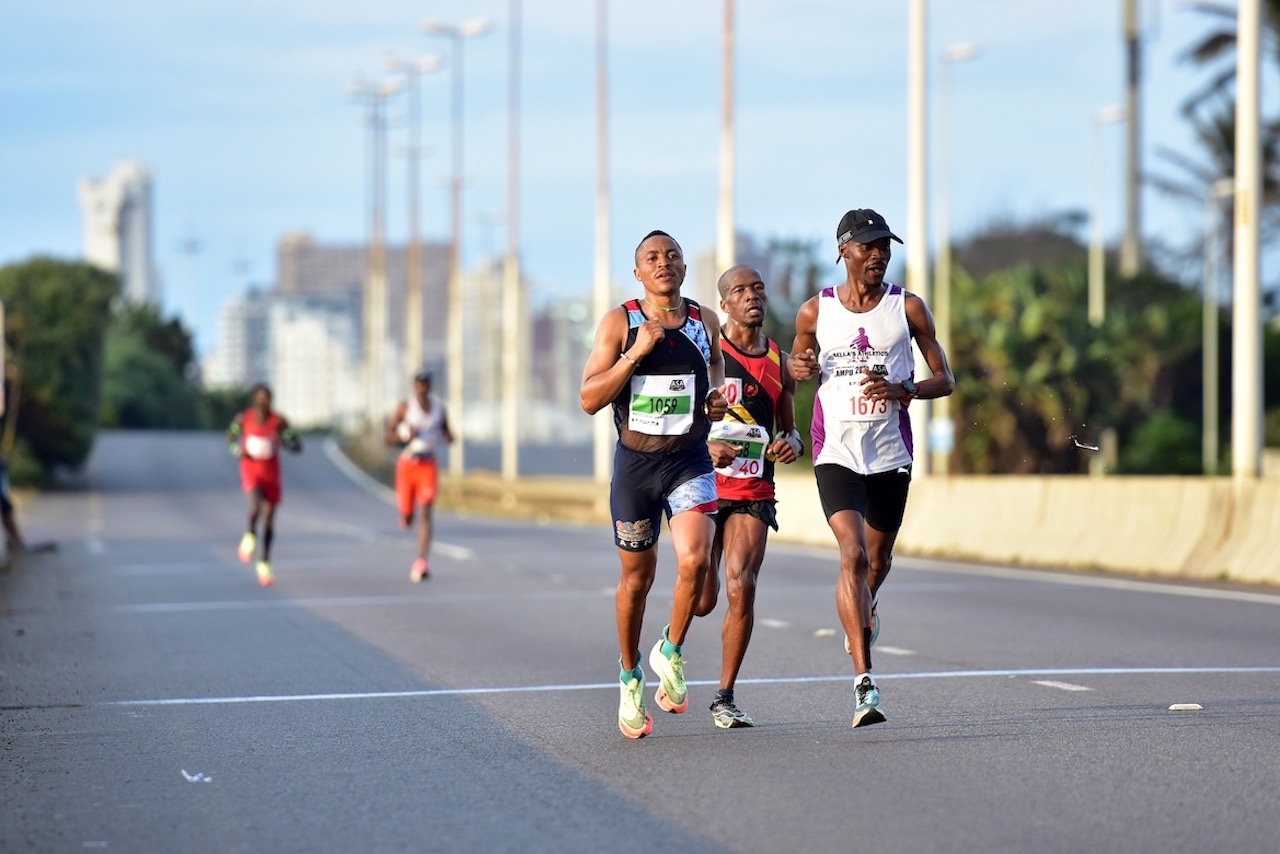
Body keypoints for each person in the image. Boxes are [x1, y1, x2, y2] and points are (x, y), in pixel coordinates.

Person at [788, 208, 954, 728]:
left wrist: (907, 389)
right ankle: (865, 683)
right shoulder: (816, 311)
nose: (879, 253)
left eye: (885, 245)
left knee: (876, 565)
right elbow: (796, 366)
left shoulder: (908, 308)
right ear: (844, 251)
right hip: (835, 449)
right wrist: (799, 365)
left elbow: (945, 378)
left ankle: (863, 610)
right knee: (853, 556)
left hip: (889, 453)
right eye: (868, 245)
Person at [580, 229, 729, 739]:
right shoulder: (621, 322)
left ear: (685, 269)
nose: (663, 262)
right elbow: (589, 398)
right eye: (652, 257)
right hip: (636, 469)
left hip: (689, 460)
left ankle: (670, 647)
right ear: (638, 272)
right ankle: (629, 675)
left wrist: (714, 404)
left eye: (672, 256)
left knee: (694, 559)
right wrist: (633, 354)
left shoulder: (705, 320)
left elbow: (714, 380)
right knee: (637, 581)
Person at [695, 264, 803, 729]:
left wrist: (790, 444)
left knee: (742, 585)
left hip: (755, 488)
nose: (751, 296)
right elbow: (681, 422)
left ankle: (725, 695)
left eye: (757, 288)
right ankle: (672, 641)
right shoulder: (707, 356)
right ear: (725, 304)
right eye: (739, 290)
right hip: (701, 483)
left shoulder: (779, 361)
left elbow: (791, 429)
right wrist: (704, 445)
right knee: (703, 597)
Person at [227, 383, 302, 587]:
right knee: (255, 507)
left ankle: (265, 561)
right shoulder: (243, 419)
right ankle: (250, 535)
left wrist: (284, 442)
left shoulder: (280, 422)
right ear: (254, 400)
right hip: (251, 471)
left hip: (271, 474)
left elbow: (297, 445)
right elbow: (231, 437)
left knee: (269, 521)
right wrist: (237, 450)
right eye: (260, 399)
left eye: (267, 399)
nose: (263, 403)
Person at [385, 371, 454, 582]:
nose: (422, 388)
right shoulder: (405, 409)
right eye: (419, 384)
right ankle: (405, 516)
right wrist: (404, 436)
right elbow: (387, 437)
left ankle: (421, 561)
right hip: (407, 464)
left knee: (426, 510)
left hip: (428, 464)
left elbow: (448, 433)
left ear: (430, 387)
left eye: (426, 384)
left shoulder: (439, 410)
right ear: (415, 387)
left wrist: (448, 437)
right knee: (408, 514)